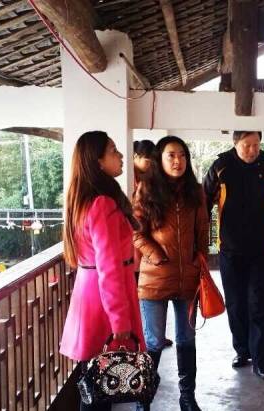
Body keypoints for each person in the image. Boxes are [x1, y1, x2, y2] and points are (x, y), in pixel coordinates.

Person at [203, 130, 264, 381]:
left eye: (256, 145)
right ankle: (242, 351)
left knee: (258, 305)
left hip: (261, 252)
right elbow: (202, 203)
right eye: (246, 145)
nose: (252, 150)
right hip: (230, 251)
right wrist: (198, 244)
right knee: (236, 304)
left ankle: (261, 361)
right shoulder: (221, 167)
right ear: (235, 143)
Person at [59, 131, 146, 411]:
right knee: (100, 390)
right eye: (113, 151)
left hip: (90, 292)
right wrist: (119, 319)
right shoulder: (102, 203)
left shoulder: (83, 199)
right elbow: (108, 267)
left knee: (95, 383)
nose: (120, 156)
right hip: (104, 299)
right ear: (97, 161)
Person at [133, 136, 209, 411]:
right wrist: (156, 255)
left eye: (182, 155)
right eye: (171, 155)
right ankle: (143, 401)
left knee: (187, 339)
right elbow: (136, 232)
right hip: (154, 279)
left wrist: (199, 261)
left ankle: (187, 398)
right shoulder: (146, 190)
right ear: (160, 159)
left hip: (188, 278)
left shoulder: (196, 192)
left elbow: (203, 230)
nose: (178, 161)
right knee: (153, 342)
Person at [133, 139, 174, 350]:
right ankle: (148, 338)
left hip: (154, 259)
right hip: (143, 257)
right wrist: (155, 254)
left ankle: (154, 335)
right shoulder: (139, 184)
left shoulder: (155, 182)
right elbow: (136, 229)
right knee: (144, 302)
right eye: (148, 160)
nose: (151, 165)